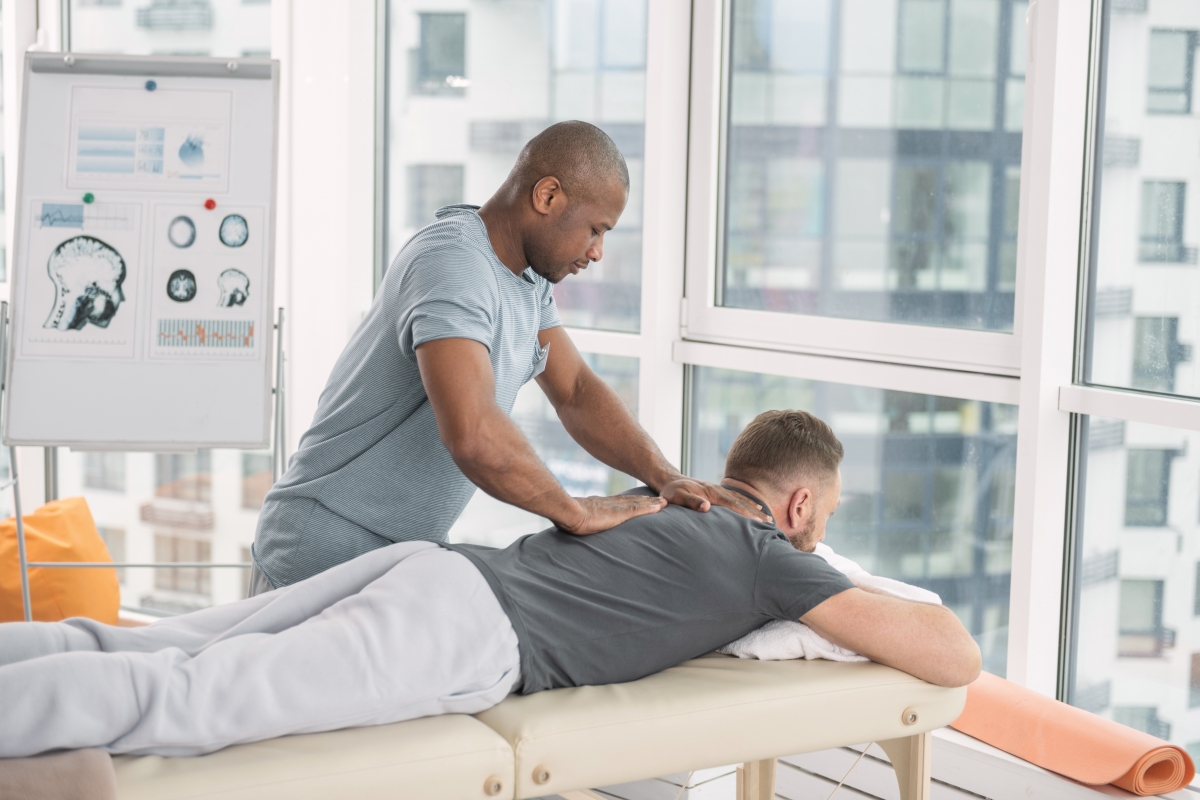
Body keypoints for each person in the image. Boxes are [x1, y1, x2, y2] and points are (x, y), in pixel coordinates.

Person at [0, 410, 980, 758]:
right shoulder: (772, 553)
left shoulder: (667, 501)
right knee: (194, 699)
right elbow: (952, 653)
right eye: (832, 512)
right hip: (469, 634)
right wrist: (829, 573)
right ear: (802, 505)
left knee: (165, 642)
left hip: (443, 566)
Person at [249, 120, 766, 594]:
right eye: (595, 228)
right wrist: (574, 512)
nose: (597, 252)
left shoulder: (525, 280)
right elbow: (473, 434)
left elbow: (576, 391)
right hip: (318, 552)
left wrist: (664, 475)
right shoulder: (454, 264)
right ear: (547, 195)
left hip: (393, 562)